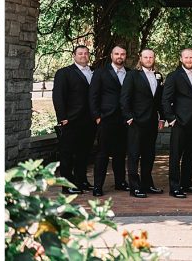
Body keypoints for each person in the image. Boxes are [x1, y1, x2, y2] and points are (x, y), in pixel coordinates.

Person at [121, 48, 164, 198]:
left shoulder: (158, 76)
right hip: (136, 121)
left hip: (152, 121)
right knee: (134, 154)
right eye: (145, 57)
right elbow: (124, 98)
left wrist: (162, 117)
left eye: (151, 57)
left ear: (154, 59)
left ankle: (147, 184)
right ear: (141, 58)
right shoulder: (132, 75)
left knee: (149, 154)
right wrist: (129, 117)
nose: (148, 59)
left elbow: (159, 100)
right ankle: (135, 187)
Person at [162, 48, 192, 198]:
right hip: (179, 122)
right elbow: (166, 99)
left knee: (191, 155)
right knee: (176, 156)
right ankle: (174, 187)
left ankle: (186, 183)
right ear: (181, 59)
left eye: (191, 57)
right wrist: (171, 119)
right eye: (186, 57)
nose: (188, 60)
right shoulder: (174, 76)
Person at [52, 45, 95, 194]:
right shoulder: (64, 73)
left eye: (86, 53)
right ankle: (67, 185)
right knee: (67, 154)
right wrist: (62, 118)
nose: (83, 56)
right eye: (80, 53)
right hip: (71, 120)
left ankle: (81, 181)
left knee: (84, 153)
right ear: (74, 55)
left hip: (89, 121)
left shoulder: (93, 72)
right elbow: (58, 96)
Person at [89, 45, 130, 196]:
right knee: (102, 154)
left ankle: (120, 182)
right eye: (117, 54)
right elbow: (93, 95)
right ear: (111, 55)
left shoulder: (130, 73)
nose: (120, 56)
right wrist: (97, 116)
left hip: (124, 119)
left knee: (120, 153)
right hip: (106, 118)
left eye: (122, 54)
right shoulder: (101, 72)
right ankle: (98, 186)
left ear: (125, 56)